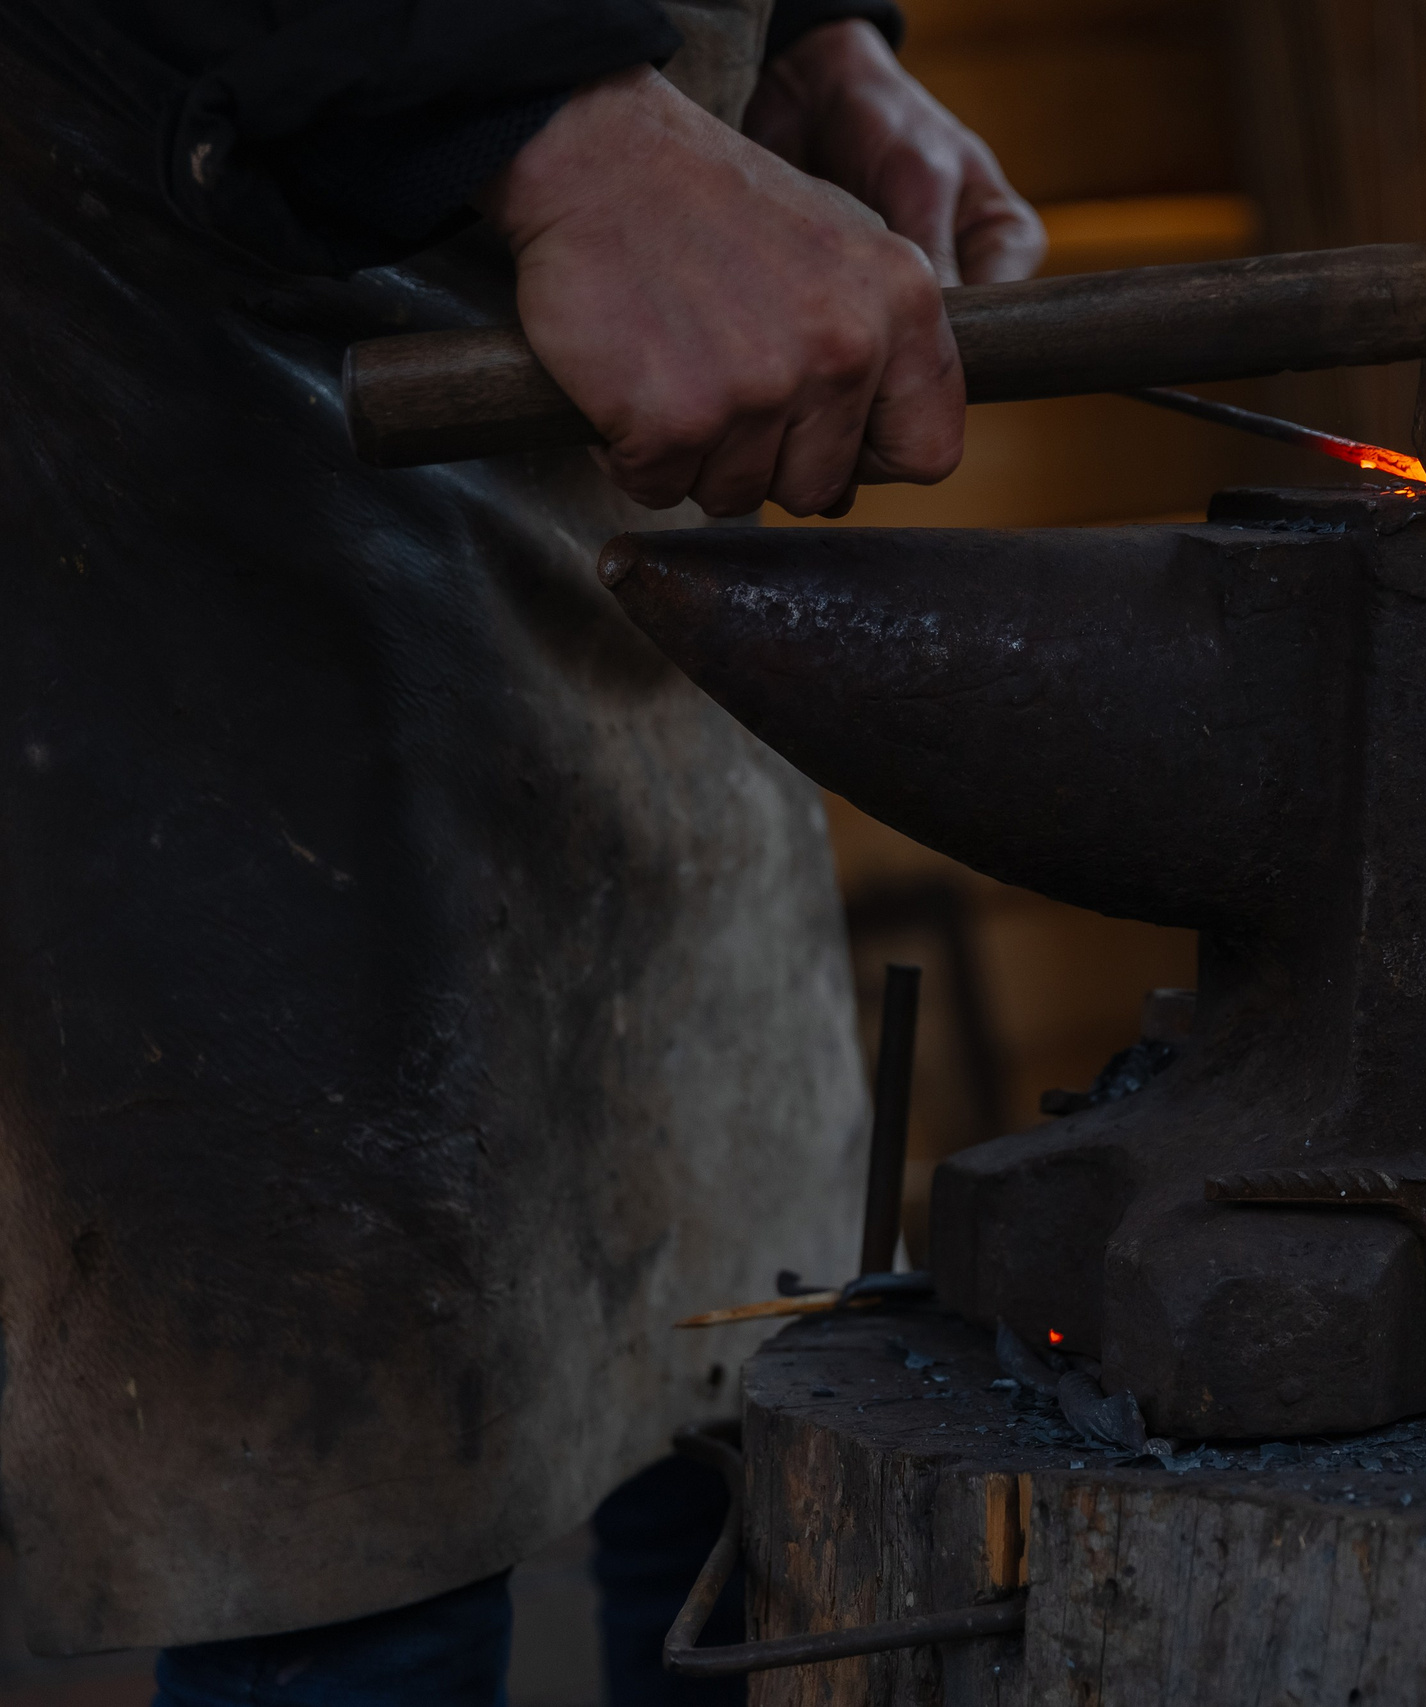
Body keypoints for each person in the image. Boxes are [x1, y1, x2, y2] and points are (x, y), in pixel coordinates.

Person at [0, 1, 1041, 1702]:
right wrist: (555, 120)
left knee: (732, 1350)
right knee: (351, 1472)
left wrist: (804, 41)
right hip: (226, 338)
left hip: (619, 387)